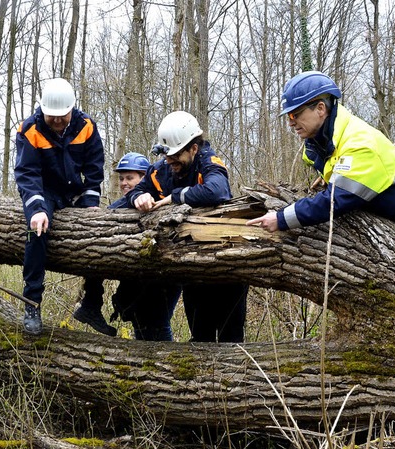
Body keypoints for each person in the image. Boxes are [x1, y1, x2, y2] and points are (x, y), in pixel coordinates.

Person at [246, 70, 395, 245]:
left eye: (295, 114)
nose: (291, 123)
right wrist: (330, 175)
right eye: (289, 116)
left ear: (321, 109)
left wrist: (280, 219)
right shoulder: (325, 141)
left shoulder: (360, 144)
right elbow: (341, 166)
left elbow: (333, 201)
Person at [126, 111, 249, 342]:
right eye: (167, 156)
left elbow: (217, 190)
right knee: (200, 336)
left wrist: (176, 197)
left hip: (227, 267)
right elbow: (135, 191)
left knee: (230, 339)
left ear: (193, 148)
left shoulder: (208, 162)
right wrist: (138, 198)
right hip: (193, 269)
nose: (170, 161)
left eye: (175, 155)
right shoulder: (162, 169)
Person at [15, 77, 105, 334]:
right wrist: (37, 210)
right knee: (37, 233)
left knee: (100, 236)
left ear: (71, 110)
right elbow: (27, 173)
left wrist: (90, 202)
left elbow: (94, 167)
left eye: (61, 116)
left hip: (75, 192)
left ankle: (92, 302)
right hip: (44, 192)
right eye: (50, 115)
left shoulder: (86, 126)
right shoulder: (29, 129)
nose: (56, 121)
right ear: (42, 109)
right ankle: (32, 303)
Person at [73, 152, 182, 340]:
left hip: (166, 274)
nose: (124, 182)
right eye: (121, 178)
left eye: (130, 178)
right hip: (143, 277)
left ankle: (158, 363)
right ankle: (91, 304)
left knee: (156, 323)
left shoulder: (162, 199)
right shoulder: (118, 207)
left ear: (144, 178)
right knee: (143, 321)